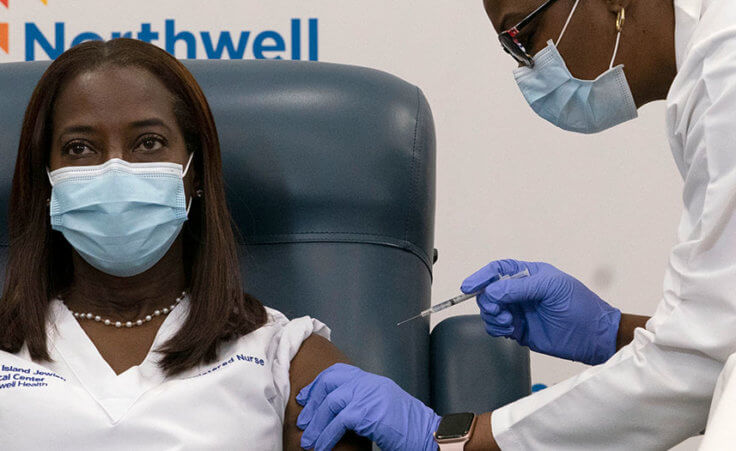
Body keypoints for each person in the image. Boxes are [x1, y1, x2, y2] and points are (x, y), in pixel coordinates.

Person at [295, 0, 736, 449]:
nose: (528, 67)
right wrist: (613, 331)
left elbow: (697, 364)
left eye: (521, 36)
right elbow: (719, 341)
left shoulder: (727, 73)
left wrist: (453, 439)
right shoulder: (710, 75)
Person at [0, 38, 371, 450]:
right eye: (80, 148)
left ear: (194, 174)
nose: (116, 170)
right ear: (47, 181)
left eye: (148, 143)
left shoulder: (285, 360)